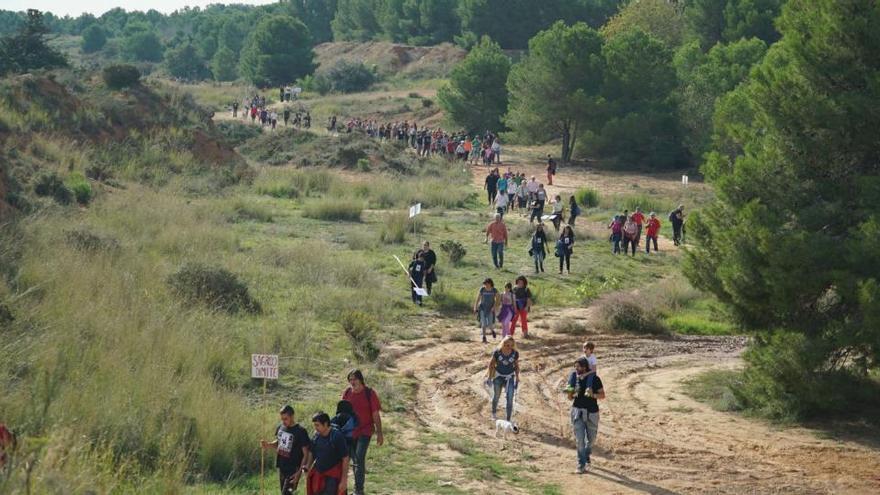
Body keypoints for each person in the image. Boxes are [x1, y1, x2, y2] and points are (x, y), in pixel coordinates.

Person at [342, 370, 383, 495]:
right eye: (350, 379)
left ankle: (359, 490)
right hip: (349, 432)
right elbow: (342, 412)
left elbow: (375, 414)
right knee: (348, 459)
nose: (352, 382)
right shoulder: (347, 393)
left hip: (365, 430)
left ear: (360, 379)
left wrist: (379, 433)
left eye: (354, 379)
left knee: (359, 458)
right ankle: (343, 489)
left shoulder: (369, 393)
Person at [566, 357, 605, 474]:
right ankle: (581, 464)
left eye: (578, 367)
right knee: (580, 440)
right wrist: (570, 393)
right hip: (577, 411)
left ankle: (586, 454)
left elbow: (602, 395)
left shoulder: (595, 379)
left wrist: (593, 395)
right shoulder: (574, 379)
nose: (576, 369)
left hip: (592, 412)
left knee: (592, 440)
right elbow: (569, 398)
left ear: (585, 367)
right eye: (575, 367)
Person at [262, 405, 311, 495]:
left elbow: (306, 454)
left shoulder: (301, 431)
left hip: (293, 469)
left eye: (285, 419)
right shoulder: (281, 427)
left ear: (292, 416)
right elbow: (279, 442)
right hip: (282, 466)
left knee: (287, 494)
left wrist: (299, 472)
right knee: (284, 492)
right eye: (282, 419)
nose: (283, 422)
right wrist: (268, 445)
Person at [306, 412, 349, 495]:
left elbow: (345, 458)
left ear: (325, 424)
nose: (315, 428)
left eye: (317, 425)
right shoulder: (316, 436)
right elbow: (312, 451)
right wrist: (308, 465)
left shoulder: (337, 436)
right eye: (314, 425)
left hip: (332, 477)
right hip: (318, 475)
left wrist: (344, 480)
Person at [486, 336, 520, 421]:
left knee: (510, 398)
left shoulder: (515, 353)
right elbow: (491, 364)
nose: (509, 347)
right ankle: (493, 413)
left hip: (510, 377)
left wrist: (517, 377)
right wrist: (489, 377)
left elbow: (516, 366)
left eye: (511, 345)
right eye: (507, 345)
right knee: (496, 396)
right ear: (503, 344)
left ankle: (508, 419)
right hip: (498, 377)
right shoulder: (497, 352)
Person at [474, 278, 499, 343]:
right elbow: (478, 299)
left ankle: (492, 331)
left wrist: (494, 307)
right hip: (482, 308)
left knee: (490, 324)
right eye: (485, 284)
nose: (486, 285)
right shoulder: (482, 289)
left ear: (491, 283)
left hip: (490, 309)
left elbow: (498, 299)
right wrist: (475, 307)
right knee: (484, 323)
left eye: (487, 283)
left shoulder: (494, 290)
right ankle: (484, 337)